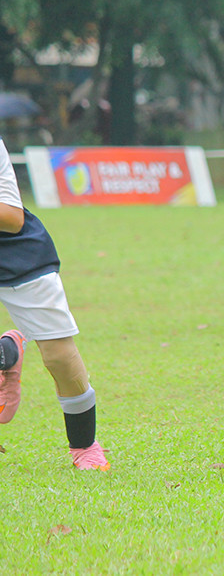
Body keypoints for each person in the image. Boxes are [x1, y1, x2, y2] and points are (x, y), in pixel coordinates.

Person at [0, 138, 109, 471]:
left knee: (60, 357)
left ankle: (84, 447)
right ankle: (6, 354)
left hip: (12, 250)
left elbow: (11, 217)